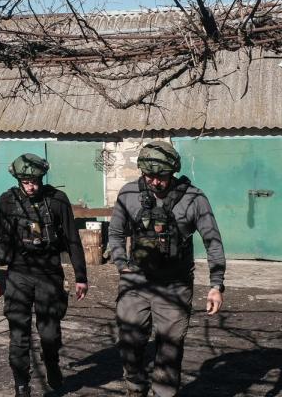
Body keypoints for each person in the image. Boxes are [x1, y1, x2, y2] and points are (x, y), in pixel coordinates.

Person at [109, 140, 226, 397]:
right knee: (129, 342)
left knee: (169, 350)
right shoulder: (128, 194)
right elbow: (116, 233)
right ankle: (135, 386)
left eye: (161, 176)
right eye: (148, 176)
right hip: (136, 282)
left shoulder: (194, 198)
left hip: (175, 285)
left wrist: (216, 285)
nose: (154, 182)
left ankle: (162, 393)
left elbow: (212, 241)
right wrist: (121, 263)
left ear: (172, 172)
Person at [0, 153, 89, 397]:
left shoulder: (57, 200)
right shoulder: (7, 201)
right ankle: (21, 384)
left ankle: (52, 363)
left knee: (49, 332)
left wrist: (81, 276)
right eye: (25, 182)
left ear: (42, 178)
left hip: (49, 274)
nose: (30, 186)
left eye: (33, 181)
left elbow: (73, 240)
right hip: (18, 274)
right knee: (18, 333)